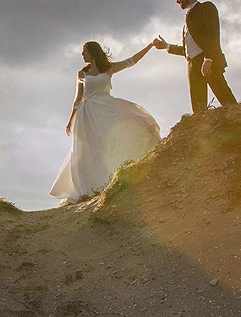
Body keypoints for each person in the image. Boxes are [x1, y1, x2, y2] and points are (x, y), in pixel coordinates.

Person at [50, 40, 161, 203]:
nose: (82, 54)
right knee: (87, 150)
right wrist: (70, 121)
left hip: (106, 110)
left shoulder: (108, 68)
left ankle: (112, 179)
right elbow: (78, 98)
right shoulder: (82, 73)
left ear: (93, 52)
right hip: (87, 114)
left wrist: (150, 46)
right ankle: (88, 188)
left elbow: (131, 61)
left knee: (113, 142)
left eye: (85, 51)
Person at [153, 0, 237, 112]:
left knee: (226, 99)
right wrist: (166, 46)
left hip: (209, 61)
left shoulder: (206, 7)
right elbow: (189, 49)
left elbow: (213, 34)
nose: (177, 1)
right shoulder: (188, 17)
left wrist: (208, 59)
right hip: (193, 65)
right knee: (198, 110)